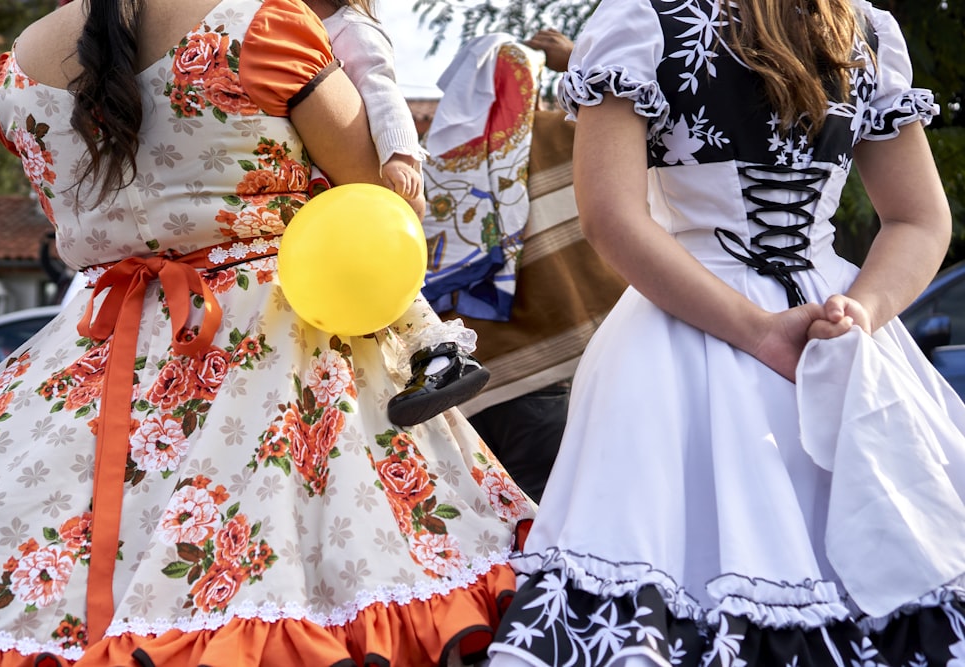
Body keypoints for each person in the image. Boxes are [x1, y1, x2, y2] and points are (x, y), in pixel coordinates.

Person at [0, 0, 534, 664]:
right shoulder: (261, 23)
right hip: (280, 346)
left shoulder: (20, 68)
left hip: (93, 352)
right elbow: (377, 192)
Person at [487, 0, 965, 665]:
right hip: (831, 328)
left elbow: (612, 216)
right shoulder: (861, 29)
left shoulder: (642, 22)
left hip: (687, 327)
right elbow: (919, 220)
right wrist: (858, 311)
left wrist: (809, 324)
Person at [424, 28, 626, 503]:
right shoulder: (575, 138)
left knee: (507, 544)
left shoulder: (428, 177)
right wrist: (577, 60)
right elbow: (660, 115)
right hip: (568, 381)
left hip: (474, 396)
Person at [303, 0, 492, 429]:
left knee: (379, 274)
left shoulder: (348, 27)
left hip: (367, 184)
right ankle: (432, 358)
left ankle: (441, 355)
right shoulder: (301, 22)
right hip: (336, 192)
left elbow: (383, 90)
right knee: (366, 278)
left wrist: (402, 156)